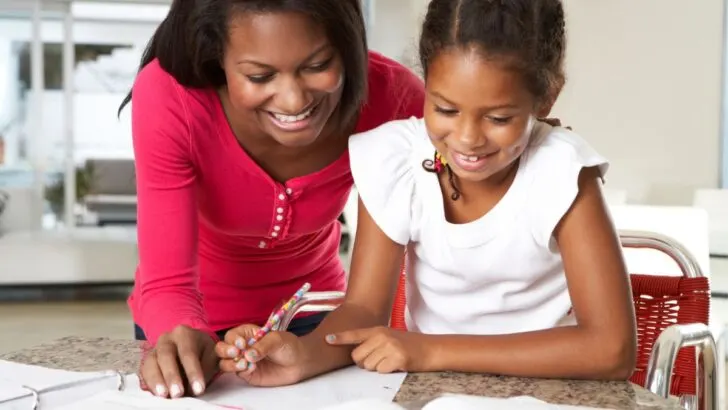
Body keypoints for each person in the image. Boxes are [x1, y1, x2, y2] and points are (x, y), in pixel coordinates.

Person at [215, 0, 637, 386]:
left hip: (548, 390)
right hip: (432, 390)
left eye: (499, 117)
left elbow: (612, 350)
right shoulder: (398, 159)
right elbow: (363, 309)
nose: (468, 138)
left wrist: (431, 349)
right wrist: (302, 355)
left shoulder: (560, 173)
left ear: (546, 97)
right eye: (446, 109)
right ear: (425, 84)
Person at [121, 0, 425, 399]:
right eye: (260, 75)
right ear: (218, 57)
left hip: (318, 323)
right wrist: (180, 333)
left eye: (317, 66)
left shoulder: (393, 99)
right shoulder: (172, 95)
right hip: (184, 324)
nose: (293, 100)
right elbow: (167, 282)